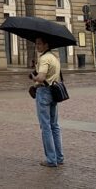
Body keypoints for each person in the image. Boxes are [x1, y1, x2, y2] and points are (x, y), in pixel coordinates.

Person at [30, 36, 63, 168]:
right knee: (54, 125)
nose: (37, 46)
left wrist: (34, 77)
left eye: (39, 44)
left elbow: (41, 77)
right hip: (54, 92)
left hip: (44, 93)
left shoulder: (44, 58)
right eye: (36, 43)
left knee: (46, 126)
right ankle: (59, 157)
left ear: (46, 45)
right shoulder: (54, 58)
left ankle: (51, 159)